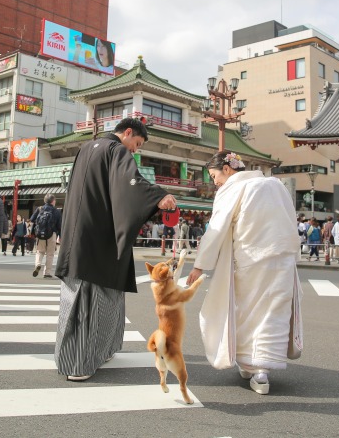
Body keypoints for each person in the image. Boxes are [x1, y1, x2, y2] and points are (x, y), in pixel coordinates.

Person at [54, 118, 176, 381]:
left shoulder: (86, 148)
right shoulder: (116, 150)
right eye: (137, 143)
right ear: (128, 133)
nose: (134, 150)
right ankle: (81, 363)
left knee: (74, 299)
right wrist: (158, 197)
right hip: (98, 236)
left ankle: (82, 354)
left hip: (76, 234)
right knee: (94, 301)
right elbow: (129, 184)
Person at [186, 151, 303, 395]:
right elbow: (291, 221)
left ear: (227, 169)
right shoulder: (275, 184)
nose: (215, 181)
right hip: (282, 259)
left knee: (247, 310)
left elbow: (216, 228)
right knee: (273, 312)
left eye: (214, 175)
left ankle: (253, 366)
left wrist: (200, 264)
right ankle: (262, 369)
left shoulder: (233, 189)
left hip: (251, 259)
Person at [30, 193, 62, 278]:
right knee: (50, 254)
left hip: (40, 234)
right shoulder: (56, 211)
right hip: (52, 234)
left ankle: (38, 264)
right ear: (53, 201)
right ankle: (47, 273)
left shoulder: (39, 209)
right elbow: (60, 226)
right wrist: (61, 237)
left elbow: (32, 219)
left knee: (40, 251)